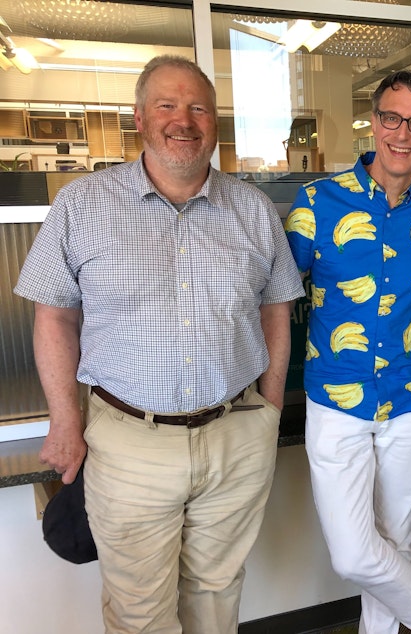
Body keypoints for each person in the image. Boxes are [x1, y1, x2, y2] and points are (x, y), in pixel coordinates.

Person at [14, 55, 304, 633]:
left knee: (217, 596)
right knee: (140, 614)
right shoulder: (82, 205)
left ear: (214, 123)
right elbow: (54, 320)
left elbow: (277, 310)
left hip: (235, 436)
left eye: (198, 107)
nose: (184, 120)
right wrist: (65, 421)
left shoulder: (251, 208)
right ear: (140, 118)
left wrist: (268, 411)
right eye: (167, 106)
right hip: (129, 445)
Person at [284, 70, 411, 634]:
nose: (403, 133)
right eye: (392, 117)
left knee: (395, 542)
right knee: (355, 555)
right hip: (337, 394)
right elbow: (277, 295)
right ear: (374, 122)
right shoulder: (317, 201)